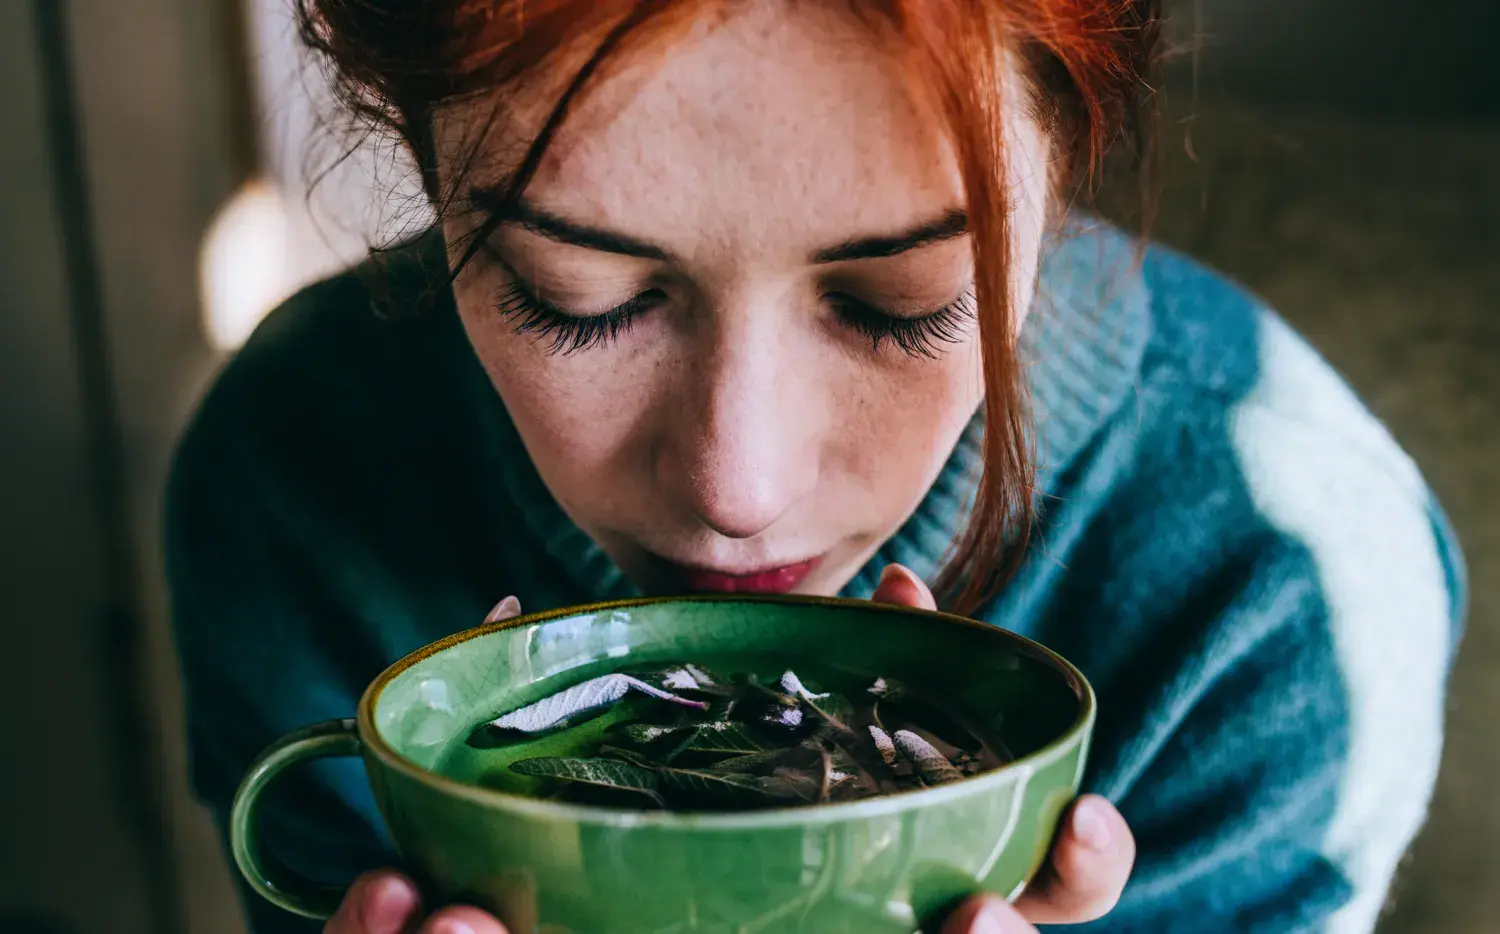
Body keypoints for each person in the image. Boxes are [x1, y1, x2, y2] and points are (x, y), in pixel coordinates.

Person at [165, 2, 1465, 932]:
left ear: (1067, 162)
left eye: (901, 306)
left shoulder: (1279, 595)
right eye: (579, 299)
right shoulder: (295, 490)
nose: (740, 486)